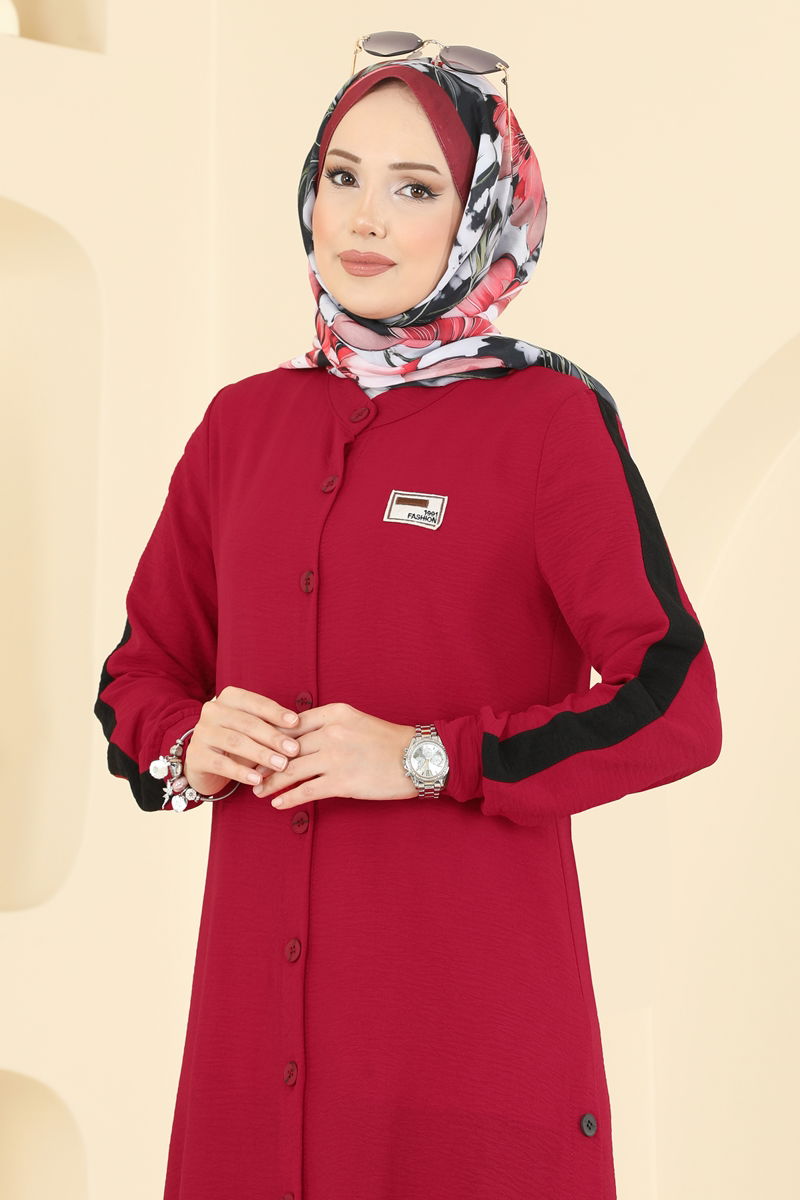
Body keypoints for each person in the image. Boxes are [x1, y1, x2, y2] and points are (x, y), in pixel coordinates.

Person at [94, 35, 723, 1200]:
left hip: (464, 1051)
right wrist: (188, 743)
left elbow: (673, 703)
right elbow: (140, 674)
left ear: (481, 215)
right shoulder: (242, 426)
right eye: (341, 176)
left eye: (415, 187)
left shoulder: (547, 422)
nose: (364, 218)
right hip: (251, 1061)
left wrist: (428, 757)